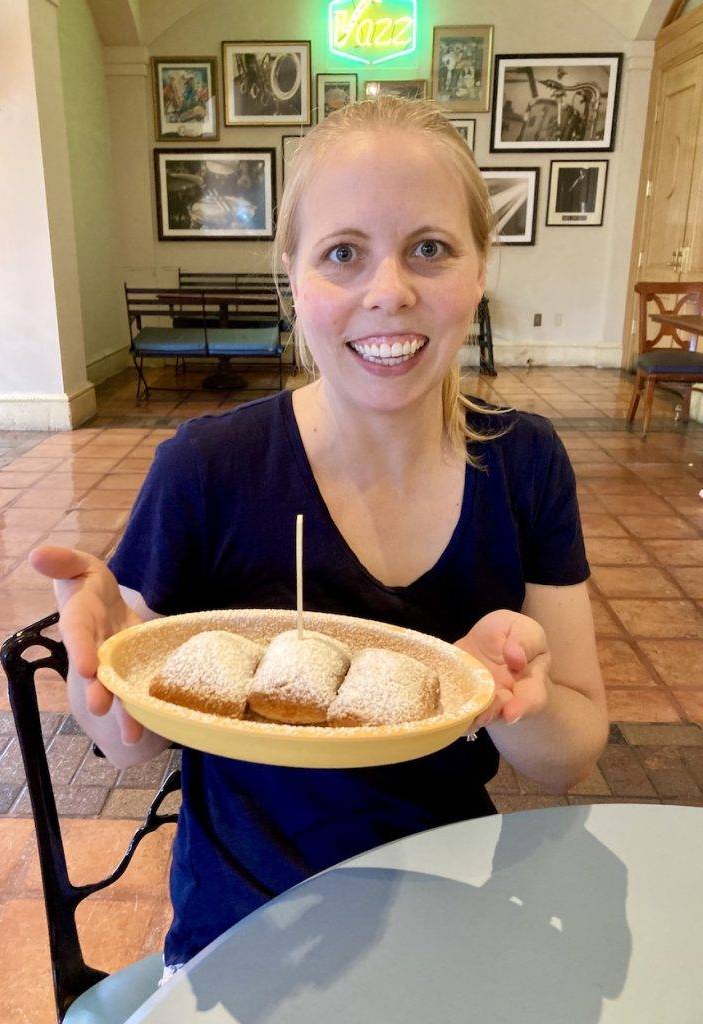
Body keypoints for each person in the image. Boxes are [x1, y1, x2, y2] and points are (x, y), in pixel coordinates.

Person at [30, 97, 607, 982]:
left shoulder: (525, 467)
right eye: (343, 253)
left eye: (430, 247)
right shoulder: (208, 468)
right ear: (292, 278)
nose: (389, 290)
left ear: (480, 269)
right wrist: (98, 670)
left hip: (449, 915)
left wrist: (511, 692)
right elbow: (131, 744)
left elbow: (571, 756)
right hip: (244, 933)